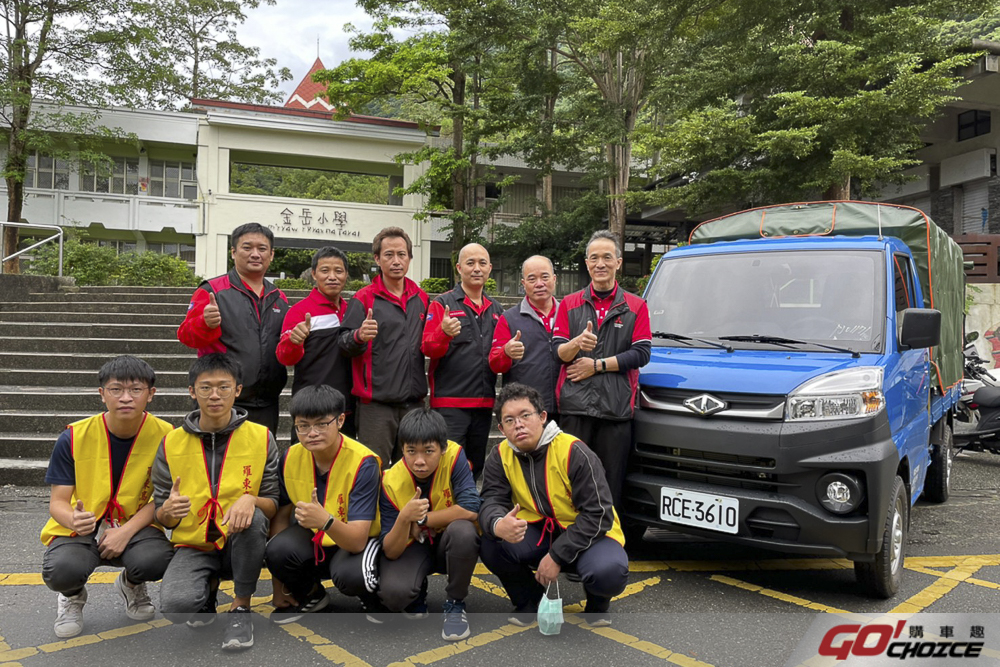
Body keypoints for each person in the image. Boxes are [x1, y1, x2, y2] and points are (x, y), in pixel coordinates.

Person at [40, 355, 175, 638]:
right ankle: (72, 596)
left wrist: (125, 531)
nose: (126, 398)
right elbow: (57, 502)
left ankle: (131, 583)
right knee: (61, 570)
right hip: (85, 522)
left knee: (156, 559)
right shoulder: (74, 437)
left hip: (135, 522)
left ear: (151, 394)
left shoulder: (167, 437)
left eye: (135, 390)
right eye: (116, 389)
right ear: (102, 394)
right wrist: (73, 519)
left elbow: (162, 498)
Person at [153, 353, 280, 652]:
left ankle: (240, 607)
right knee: (176, 607)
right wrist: (167, 512)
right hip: (194, 543)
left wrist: (250, 498)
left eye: (224, 387)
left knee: (255, 517)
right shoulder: (172, 442)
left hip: (239, 538)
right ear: (191, 391)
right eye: (206, 387)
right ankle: (207, 590)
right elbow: (163, 515)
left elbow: (273, 503)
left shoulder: (261, 437)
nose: (215, 395)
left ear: (237, 390)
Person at [478, 383, 628, 628]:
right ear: (501, 429)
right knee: (490, 542)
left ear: (543, 417)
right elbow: (491, 499)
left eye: (525, 415)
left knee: (608, 571)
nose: (518, 424)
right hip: (539, 530)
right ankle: (528, 599)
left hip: (590, 534)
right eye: (509, 420)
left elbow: (598, 515)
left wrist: (556, 556)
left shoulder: (574, 451)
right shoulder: (499, 455)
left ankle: (598, 604)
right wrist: (498, 523)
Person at [265, 385, 383, 624]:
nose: (312, 433)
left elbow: (358, 539)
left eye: (321, 424)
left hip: (357, 541)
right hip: (316, 536)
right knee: (276, 549)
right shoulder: (289, 458)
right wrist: (278, 586)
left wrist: (325, 520)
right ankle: (312, 595)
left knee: (352, 576)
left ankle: (374, 597)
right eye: (303, 425)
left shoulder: (364, 462)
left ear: (340, 420)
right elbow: (279, 518)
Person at [552, 230, 651, 509]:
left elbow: (642, 353)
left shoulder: (636, 306)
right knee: (572, 478)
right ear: (586, 263)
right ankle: (571, 536)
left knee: (611, 480)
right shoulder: (569, 304)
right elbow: (558, 353)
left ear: (618, 262)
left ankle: (608, 540)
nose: (600, 264)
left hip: (616, 409)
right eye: (594, 258)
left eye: (607, 257)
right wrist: (576, 343)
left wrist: (597, 365)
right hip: (575, 408)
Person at [377, 409, 480, 641]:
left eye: (429, 451)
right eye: (411, 451)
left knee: (464, 531)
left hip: (447, 542)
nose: (419, 460)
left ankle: (455, 603)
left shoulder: (454, 456)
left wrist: (422, 520)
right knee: (394, 595)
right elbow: (391, 551)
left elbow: (471, 507)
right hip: (414, 546)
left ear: (442, 448)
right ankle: (416, 592)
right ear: (401, 448)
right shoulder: (390, 479)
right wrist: (404, 518)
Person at [177, 222, 289, 435]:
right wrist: (205, 323)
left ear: (271, 255)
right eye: (247, 248)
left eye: (262, 249)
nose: (255, 254)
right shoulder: (212, 291)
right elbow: (185, 335)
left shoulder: (279, 298)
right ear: (233, 252)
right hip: (222, 401)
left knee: (259, 464)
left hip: (267, 402)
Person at [339, 226, 429, 468]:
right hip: (375, 406)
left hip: (414, 403)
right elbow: (343, 342)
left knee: (412, 471)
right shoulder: (364, 298)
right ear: (377, 259)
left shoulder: (421, 298)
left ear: (410, 257)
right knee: (373, 470)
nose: (396, 261)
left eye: (402, 254)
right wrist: (358, 336)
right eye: (389, 255)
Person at [422, 243, 504, 477]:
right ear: (459, 268)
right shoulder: (442, 304)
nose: (476, 268)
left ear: (489, 268)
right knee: (446, 468)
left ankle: (467, 511)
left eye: (482, 263)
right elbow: (428, 347)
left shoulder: (496, 309)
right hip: (450, 404)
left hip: (484, 403)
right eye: (470, 263)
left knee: (475, 465)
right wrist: (443, 332)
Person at [276, 245, 355, 441]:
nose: (332, 276)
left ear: (346, 274)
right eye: (325, 270)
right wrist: (293, 341)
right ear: (313, 274)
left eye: (338, 271)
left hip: (347, 407)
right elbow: (284, 357)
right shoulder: (299, 311)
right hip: (311, 407)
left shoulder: (352, 310)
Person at [489, 254, 561, 421]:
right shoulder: (509, 318)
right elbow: (494, 364)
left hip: (566, 406)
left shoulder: (568, 313)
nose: (539, 284)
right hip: (525, 410)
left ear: (554, 279)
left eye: (545, 277)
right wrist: (506, 352)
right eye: (532, 279)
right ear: (523, 283)